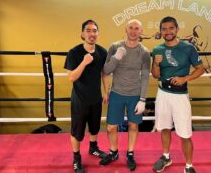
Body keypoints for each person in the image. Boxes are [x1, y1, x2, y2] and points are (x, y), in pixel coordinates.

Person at [151, 16, 205, 173]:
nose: (167, 32)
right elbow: (155, 75)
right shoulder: (157, 49)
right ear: (160, 31)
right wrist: (155, 63)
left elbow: (200, 68)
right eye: (164, 29)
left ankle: (189, 165)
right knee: (165, 128)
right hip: (163, 94)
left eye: (170, 28)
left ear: (177, 29)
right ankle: (166, 156)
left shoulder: (188, 48)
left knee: (185, 133)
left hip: (180, 96)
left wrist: (185, 78)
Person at [100, 19, 151, 171]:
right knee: (111, 127)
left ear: (141, 31)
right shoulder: (115, 47)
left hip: (135, 95)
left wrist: (142, 99)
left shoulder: (144, 52)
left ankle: (130, 153)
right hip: (116, 93)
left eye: (137, 28)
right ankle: (114, 151)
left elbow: (146, 76)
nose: (133, 31)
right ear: (125, 29)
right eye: (131, 28)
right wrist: (116, 58)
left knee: (133, 126)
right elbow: (106, 71)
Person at [64, 20, 109, 173]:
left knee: (95, 127)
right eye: (88, 30)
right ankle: (76, 158)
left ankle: (93, 148)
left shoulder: (102, 52)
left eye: (95, 30)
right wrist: (84, 62)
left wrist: (106, 92)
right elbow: (71, 77)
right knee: (77, 131)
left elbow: (104, 74)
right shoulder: (74, 52)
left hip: (96, 98)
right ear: (82, 34)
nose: (92, 34)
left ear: (98, 33)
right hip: (80, 100)